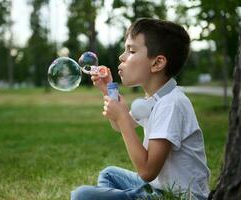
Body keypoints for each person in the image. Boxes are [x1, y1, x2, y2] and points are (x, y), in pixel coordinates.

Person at [71, 18, 210, 200]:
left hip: (177, 196)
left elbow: (147, 171)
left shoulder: (171, 103)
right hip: (158, 188)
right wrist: (108, 90)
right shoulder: (154, 99)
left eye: (131, 50)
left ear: (157, 63)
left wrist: (122, 118)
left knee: (82, 195)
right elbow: (119, 126)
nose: (122, 57)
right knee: (109, 174)